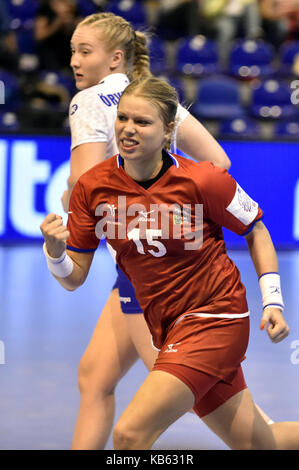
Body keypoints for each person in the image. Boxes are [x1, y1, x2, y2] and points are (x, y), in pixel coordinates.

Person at [40, 76, 299, 450]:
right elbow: (73, 278)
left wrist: (273, 301)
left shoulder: (202, 179)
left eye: (142, 122)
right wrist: (55, 252)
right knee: (260, 443)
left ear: (168, 131)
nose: (128, 130)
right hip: (167, 327)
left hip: (216, 318)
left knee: (129, 435)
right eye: (123, 118)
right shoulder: (93, 187)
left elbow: (255, 229)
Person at [60, 11, 240, 450]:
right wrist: (169, 211)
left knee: (233, 431)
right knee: (95, 377)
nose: (74, 62)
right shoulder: (155, 100)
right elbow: (218, 161)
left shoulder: (87, 102)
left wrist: (89, 212)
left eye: (85, 51)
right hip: (151, 261)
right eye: (72, 52)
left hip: (146, 277)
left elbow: (81, 185)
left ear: (115, 58)